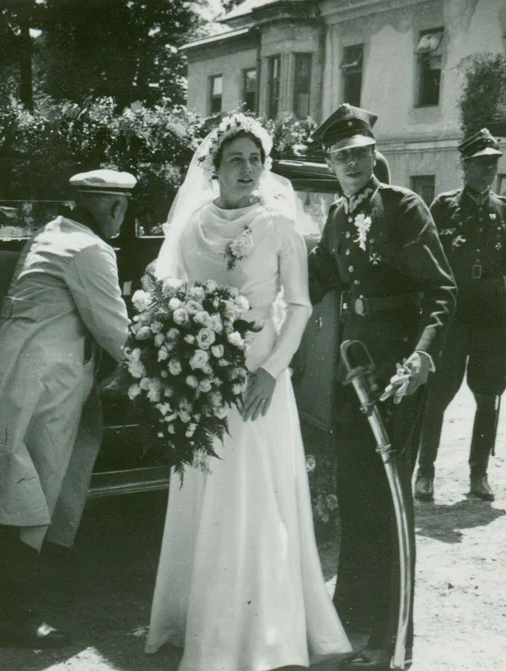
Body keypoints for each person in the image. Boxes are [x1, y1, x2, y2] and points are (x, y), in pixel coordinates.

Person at [144, 114, 351, 671]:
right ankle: (201, 621)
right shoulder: (192, 226)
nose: (247, 170)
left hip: (261, 377)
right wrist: (181, 358)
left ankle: (264, 632)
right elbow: (174, 293)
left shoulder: (280, 227)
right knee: (207, 493)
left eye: (255, 160)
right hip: (202, 381)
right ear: (213, 167)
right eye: (235, 160)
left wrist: (272, 372)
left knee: (256, 496)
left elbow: (301, 306)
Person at [308, 103, 456, 671]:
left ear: (374, 155)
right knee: (357, 499)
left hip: (396, 371)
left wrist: (422, 357)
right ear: (330, 162)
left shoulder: (403, 207)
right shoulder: (338, 216)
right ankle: (354, 624)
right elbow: (317, 275)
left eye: (360, 153)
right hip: (353, 369)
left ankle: (394, 640)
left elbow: (441, 291)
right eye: (341, 156)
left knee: (392, 507)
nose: (351, 163)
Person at [0, 168, 136, 646]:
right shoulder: (90, 250)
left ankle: (10, 612)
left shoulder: (55, 234)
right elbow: (116, 331)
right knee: (29, 496)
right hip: (41, 389)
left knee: (20, 491)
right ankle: (15, 620)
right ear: (115, 207)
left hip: (22, 378)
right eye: (123, 209)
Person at [412, 128, 506, 503]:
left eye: (492, 164)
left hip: (491, 315)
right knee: (437, 395)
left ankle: (479, 474)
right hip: (455, 314)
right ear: (464, 166)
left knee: (488, 396)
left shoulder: (505, 209)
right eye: (480, 164)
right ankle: (425, 471)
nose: (487, 170)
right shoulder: (443, 206)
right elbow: (429, 264)